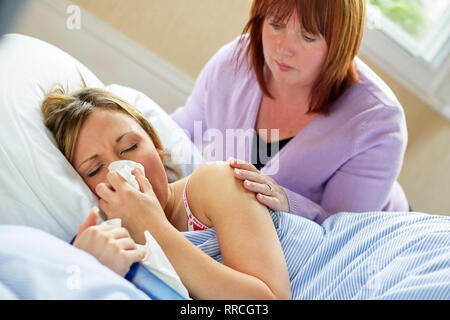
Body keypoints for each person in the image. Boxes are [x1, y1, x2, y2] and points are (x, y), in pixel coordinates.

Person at [41, 86, 291, 300]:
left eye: (130, 147)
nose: (123, 168)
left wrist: (152, 227)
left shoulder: (213, 182)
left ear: (157, 147)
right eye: (95, 169)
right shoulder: (116, 250)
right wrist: (88, 267)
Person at [170, 0, 410, 223]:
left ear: (341, 44)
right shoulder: (234, 61)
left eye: (307, 37)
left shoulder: (378, 122)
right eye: (275, 24)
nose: (283, 48)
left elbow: (340, 231)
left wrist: (285, 202)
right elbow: (181, 132)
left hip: (371, 237)